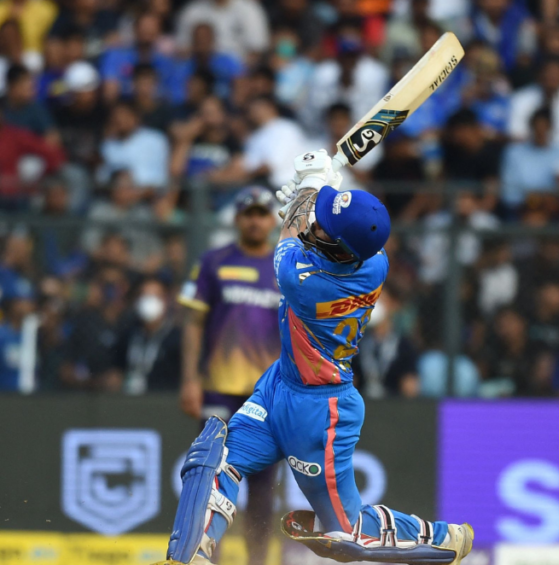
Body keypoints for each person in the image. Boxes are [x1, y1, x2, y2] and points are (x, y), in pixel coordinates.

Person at [153, 150, 472, 565]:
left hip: (320, 411)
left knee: (345, 531)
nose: (317, 226)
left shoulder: (303, 281)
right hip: (278, 385)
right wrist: (319, 194)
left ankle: (446, 539)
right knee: (212, 460)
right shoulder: (374, 261)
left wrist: (309, 186)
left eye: (326, 228)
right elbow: (314, 227)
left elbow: (288, 237)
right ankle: (188, 557)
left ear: (341, 252)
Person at [175, 187, 281, 565]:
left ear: (273, 219)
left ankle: (259, 560)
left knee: (265, 487)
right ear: (237, 219)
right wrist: (190, 380)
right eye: (248, 213)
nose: (255, 220)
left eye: (262, 213)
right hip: (218, 387)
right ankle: (207, 558)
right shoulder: (213, 262)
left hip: (268, 395)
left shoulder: (285, 267)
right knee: (210, 477)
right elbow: (193, 323)